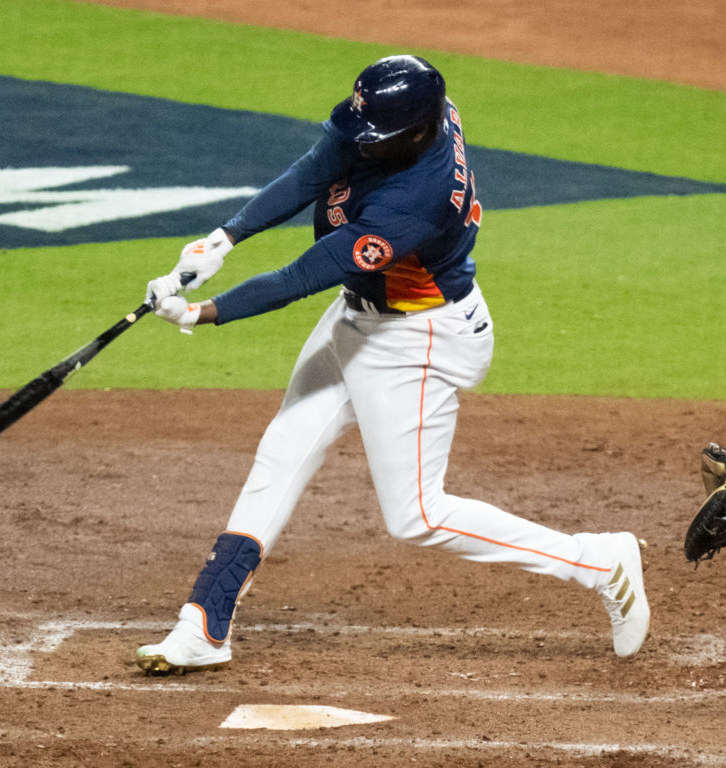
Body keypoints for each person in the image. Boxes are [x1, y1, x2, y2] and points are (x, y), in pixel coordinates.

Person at [135, 55, 650, 674]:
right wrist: (224, 238)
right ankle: (205, 623)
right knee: (283, 450)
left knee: (417, 516)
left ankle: (600, 563)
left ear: (416, 133)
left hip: (415, 341)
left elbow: (301, 276)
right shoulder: (410, 116)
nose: (363, 141)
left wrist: (199, 313)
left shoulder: (417, 200)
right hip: (362, 316)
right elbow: (317, 167)